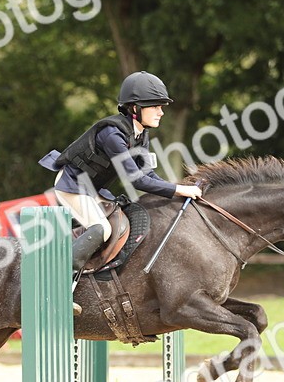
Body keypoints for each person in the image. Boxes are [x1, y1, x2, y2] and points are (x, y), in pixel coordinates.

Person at [40, 70, 202, 279]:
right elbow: (138, 181)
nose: (161, 112)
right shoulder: (113, 135)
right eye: (155, 106)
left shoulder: (140, 134)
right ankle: (60, 278)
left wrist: (178, 190)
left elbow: (147, 174)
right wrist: (179, 190)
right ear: (135, 108)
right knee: (102, 229)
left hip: (93, 188)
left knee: (120, 221)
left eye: (161, 107)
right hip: (72, 185)